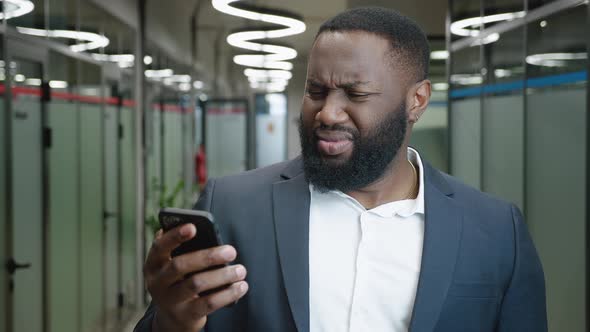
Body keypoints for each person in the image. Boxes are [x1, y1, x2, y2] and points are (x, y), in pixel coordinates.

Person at [135, 7, 547, 332]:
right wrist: (173, 323)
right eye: (315, 91)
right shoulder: (233, 206)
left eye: (356, 93)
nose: (327, 112)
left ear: (417, 101)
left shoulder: (495, 231)